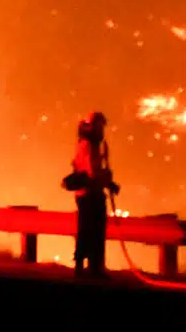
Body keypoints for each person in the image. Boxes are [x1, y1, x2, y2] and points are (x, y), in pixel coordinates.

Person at [69, 111, 120, 277]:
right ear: (93, 127)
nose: (102, 130)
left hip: (88, 194)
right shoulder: (89, 145)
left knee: (88, 230)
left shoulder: (90, 144)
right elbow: (92, 172)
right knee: (93, 231)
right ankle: (93, 267)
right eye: (99, 126)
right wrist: (108, 181)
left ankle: (88, 265)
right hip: (90, 195)